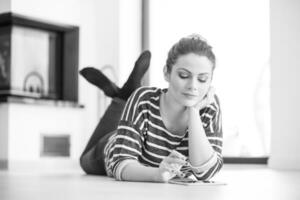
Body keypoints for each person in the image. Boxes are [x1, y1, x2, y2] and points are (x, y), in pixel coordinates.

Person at [79, 34, 223, 183]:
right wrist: (157, 174)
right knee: (84, 160)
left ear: (210, 82)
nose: (193, 86)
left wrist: (194, 111)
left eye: (202, 79)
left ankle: (123, 96)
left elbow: (206, 173)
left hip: (136, 132)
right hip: (111, 148)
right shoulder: (144, 99)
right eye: (184, 75)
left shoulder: (209, 107)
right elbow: (120, 163)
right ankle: (122, 99)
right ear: (166, 73)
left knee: (129, 106)